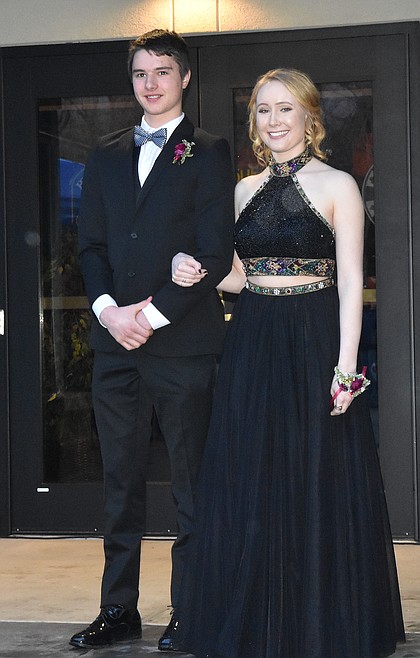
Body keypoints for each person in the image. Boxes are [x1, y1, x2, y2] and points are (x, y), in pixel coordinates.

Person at [169, 68, 405, 657]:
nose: (274, 121)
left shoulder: (338, 185)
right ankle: (256, 620)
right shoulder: (243, 191)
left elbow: (350, 282)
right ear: (254, 121)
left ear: (308, 116)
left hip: (314, 336)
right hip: (253, 338)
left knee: (315, 475)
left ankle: (317, 623)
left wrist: (346, 368)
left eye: (284, 109)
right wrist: (195, 270)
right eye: (263, 110)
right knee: (253, 476)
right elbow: (240, 278)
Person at [69, 29, 234, 650]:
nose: (151, 83)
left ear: (184, 77)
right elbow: (90, 246)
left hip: (183, 345)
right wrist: (110, 313)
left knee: (191, 486)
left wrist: (153, 316)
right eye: (141, 73)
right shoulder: (105, 153)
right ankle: (118, 610)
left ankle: (190, 610)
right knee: (120, 484)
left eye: (162, 71)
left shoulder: (209, 151)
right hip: (115, 346)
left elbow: (215, 252)